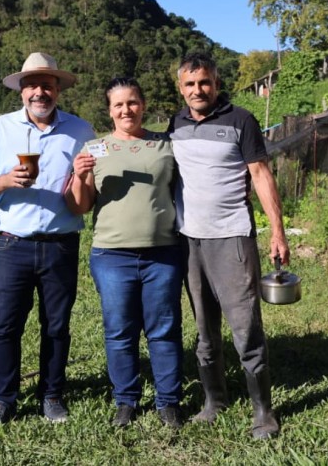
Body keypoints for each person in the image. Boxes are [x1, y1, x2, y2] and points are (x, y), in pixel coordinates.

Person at [167, 51, 290, 439]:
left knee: (245, 326)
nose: (198, 90)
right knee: (204, 328)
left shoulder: (241, 120)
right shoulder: (174, 126)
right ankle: (213, 400)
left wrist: (277, 231)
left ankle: (263, 412)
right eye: (190, 84)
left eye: (204, 82)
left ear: (216, 84)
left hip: (232, 238)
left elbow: (261, 174)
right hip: (189, 240)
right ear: (181, 89)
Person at [0, 52, 96, 425]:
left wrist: (84, 177)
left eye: (47, 85)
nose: (39, 92)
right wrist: (6, 181)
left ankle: (52, 394)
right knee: (6, 325)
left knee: (57, 325)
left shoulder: (81, 131)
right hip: (14, 244)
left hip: (61, 243)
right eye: (32, 85)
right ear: (21, 91)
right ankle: (3, 401)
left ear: (58, 89)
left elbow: (90, 190)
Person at [65, 77, 184, 429]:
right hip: (112, 255)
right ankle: (126, 400)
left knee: (163, 329)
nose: (126, 110)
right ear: (109, 111)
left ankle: (168, 402)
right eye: (118, 105)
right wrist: (79, 176)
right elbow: (79, 207)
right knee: (119, 331)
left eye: (132, 102)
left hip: (162, 253)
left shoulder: (165, 144)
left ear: (143, 105)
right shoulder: (95, 148)